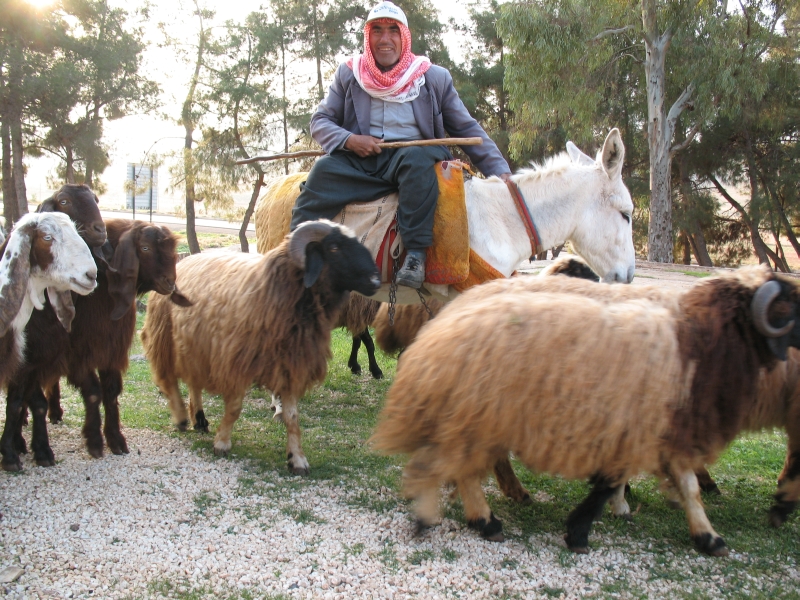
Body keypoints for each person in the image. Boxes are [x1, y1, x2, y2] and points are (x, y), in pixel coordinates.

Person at [290, 1, 511, 288]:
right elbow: (320, 121)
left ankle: (416, 255)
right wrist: (350, 140)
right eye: (377, 31)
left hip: (413, 159)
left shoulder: (433, 78)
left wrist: (500, 171)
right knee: (322, 170)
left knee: (416, 158)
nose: (385, 39)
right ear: (368, 37)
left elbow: (467, 128)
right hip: (363, 161)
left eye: (393, 31)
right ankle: (293, 253)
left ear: (404, 36)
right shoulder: (350, 74)